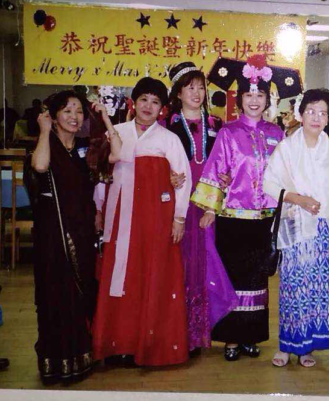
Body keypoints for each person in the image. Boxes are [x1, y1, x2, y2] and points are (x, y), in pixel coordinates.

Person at [92, 77, 192, 367]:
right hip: (120, 219)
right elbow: (102, 175)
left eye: (155, 101)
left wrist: (179, 218)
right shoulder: (116, 133)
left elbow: (183, 181)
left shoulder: (169, 139)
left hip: (156, 221)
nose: (148, 106)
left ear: (162, 108)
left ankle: (152, 345)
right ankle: (118, 344)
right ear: (133, 102)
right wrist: (98, 209)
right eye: (144, 99)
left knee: (153, 276)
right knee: (121, 276)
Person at [192, 56, 285, 361]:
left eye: (260, 95)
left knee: (257, 281)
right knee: (232, 278)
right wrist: (210, 208)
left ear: (267, 100)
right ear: (240, 99)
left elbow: (285, 174)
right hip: (233, 218)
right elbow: (216, 169)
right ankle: (231, 339)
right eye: (248, 95)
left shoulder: (277, 134)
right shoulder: (228, 133)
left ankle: (250, 337)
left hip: (265, 219)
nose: (254, 101)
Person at [30, 90, 119, 383]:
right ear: (54, 116)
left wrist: (105, 119)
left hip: (82, 230)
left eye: (79, 111)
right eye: (67, 111)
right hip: (54, 233)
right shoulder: (48, 143)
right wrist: (44, 131)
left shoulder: (85, 148)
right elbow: (40, 166)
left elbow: (115, 155)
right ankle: (55, 362)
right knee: (55, 294)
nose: (74, 117)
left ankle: (80, 358)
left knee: (82, 294)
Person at [263, 88, 329, 368]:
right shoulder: (286, 148)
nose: (316, 118)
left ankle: (307, 348)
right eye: (311, 111)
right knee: (293, 288)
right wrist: (298, 199)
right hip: (295, 226)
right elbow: (269, 183)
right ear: (301, 115)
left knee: (319, 291)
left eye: (323, 113)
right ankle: (286, 346)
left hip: (327, 230)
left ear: (328, 118)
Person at [166, 62, 237, 356]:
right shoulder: (167, 125)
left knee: (209, 264)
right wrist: (167, 177)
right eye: (190, 88)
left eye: (200, 87)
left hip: (209, 204)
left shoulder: (218, 125)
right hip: (180, 205)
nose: (196, 93)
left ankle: (202, 331)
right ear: (178, 93)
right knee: (181, 264)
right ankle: (180, 332)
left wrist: (227, 178)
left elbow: (228, 163)